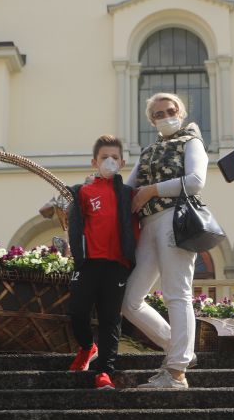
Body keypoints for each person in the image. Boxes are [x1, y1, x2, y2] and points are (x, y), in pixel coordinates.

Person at [121, 92, 207, 389]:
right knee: (130, 300)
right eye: (159, 113)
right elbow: (126, 189)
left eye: (171, 110)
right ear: (152, 120)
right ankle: (179, 350)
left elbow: (196, 181)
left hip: (176, 219)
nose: (166, 115)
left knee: (176, 293)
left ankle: (176, 372)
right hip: (149, 225)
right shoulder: (148, 151)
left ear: (180, 113)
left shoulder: (191, 142)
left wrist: (153, 190)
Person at [40, 135, 138, 390]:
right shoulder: (83, 191)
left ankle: (104, 372)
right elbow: (58, 206)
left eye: (115, 158)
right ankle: (87, 347)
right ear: (94, 161)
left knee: (109, 319)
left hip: (117, 264)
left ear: (123, 162)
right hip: (88, 263)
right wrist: (54, 204)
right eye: (105, 157)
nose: (110, 161)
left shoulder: (128, 194)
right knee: (77, 312)